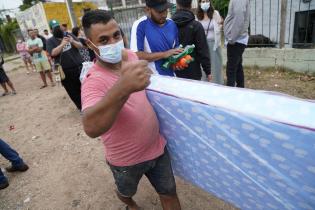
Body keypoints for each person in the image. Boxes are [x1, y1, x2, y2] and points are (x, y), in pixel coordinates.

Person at [81, 10, 181, 210]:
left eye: (116, 35)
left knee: (169, 193)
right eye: (103, 40)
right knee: (126, 192)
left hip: (157, 148)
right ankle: (129, 203)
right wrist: (123, 87)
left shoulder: (130, 56)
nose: (113, 43)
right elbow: (91, 128)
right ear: (90, 45)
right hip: (126, 160)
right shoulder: (93, 81)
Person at [130, 0, 182, 76]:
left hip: (172, 79)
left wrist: (178, 62)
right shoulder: (140, 25)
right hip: (152, 82)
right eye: (159, 11)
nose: (164, 15)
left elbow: (174, 52)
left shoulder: (172, 24)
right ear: (148, 9)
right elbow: (136, 55)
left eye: (165, 10)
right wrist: (164, 54)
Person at [47, 20, 83, 110]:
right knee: (72, 91)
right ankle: (81, 107)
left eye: (58, 27)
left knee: (85, 87)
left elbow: (80, 45)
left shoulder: (69, 35)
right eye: (55, 28)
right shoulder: (50, 41)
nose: (57, 29)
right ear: (51, 30)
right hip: (65, 71)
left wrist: (72, 41)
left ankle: (89, 105)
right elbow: (53, 53)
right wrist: (62, 44)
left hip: (79, 67)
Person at [172, 0, 211, 81]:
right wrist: (208, 71)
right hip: (193, 72)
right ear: (190, 5)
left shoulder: (169, 25)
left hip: (173, 71)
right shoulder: (196, 25)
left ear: (177, 4)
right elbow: (203, 50)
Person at [224, 0, 250, 88]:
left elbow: (239, 18)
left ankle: (231, 93)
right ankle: (240, 89)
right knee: (237, 66)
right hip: (238, 38)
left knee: (231, 69)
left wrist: (231, 38)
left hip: (236, 39)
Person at [197, 0, 223, 84]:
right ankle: (205, 84)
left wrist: (220, 24)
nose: (205, 3)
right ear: (200, 3)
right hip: (202, 45)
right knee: (204, 67)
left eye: (207, 1)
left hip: (213, 45)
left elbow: (220, 25)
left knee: (215, 66)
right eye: (203, 1)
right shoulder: (197, 16)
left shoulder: (215, 13)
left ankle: (217, 84)